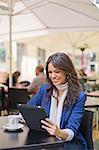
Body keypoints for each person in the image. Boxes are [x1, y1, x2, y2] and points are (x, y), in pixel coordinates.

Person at [27, 53, 87, 150]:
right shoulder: (44, 89)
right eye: (50, 72)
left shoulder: (79, 97)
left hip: (68, 142)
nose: (53, 76)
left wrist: (58, 132)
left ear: (67, 72)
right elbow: (28, 108)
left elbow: (71, 130)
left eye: (57, 72)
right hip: (45, 139)